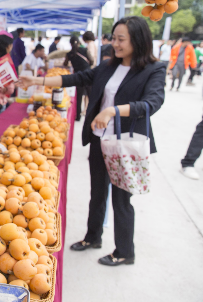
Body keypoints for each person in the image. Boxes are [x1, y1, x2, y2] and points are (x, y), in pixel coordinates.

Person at [17, 16, 165, 266]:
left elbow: (152, 103)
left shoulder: (154, 69)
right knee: (97, 192)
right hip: (100, 141)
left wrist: (112, 111)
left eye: (121, 39)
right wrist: (37, 81)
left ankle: (125, 252)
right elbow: (75, 79)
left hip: (124, 144)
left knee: (121, 199)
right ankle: (92, 237)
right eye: (114, 38)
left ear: (137, 40)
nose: (115, 44)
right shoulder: (108, 66)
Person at [64, 36, 94, 121]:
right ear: (79, 42)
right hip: (88, 75)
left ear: (70, 43)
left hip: (78, 77)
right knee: (91, 96)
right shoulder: (85, 50)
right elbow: (91, 61)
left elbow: (65, 64)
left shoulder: (69, 54)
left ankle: (78, 116)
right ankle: (91, 116)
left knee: (79, 97)